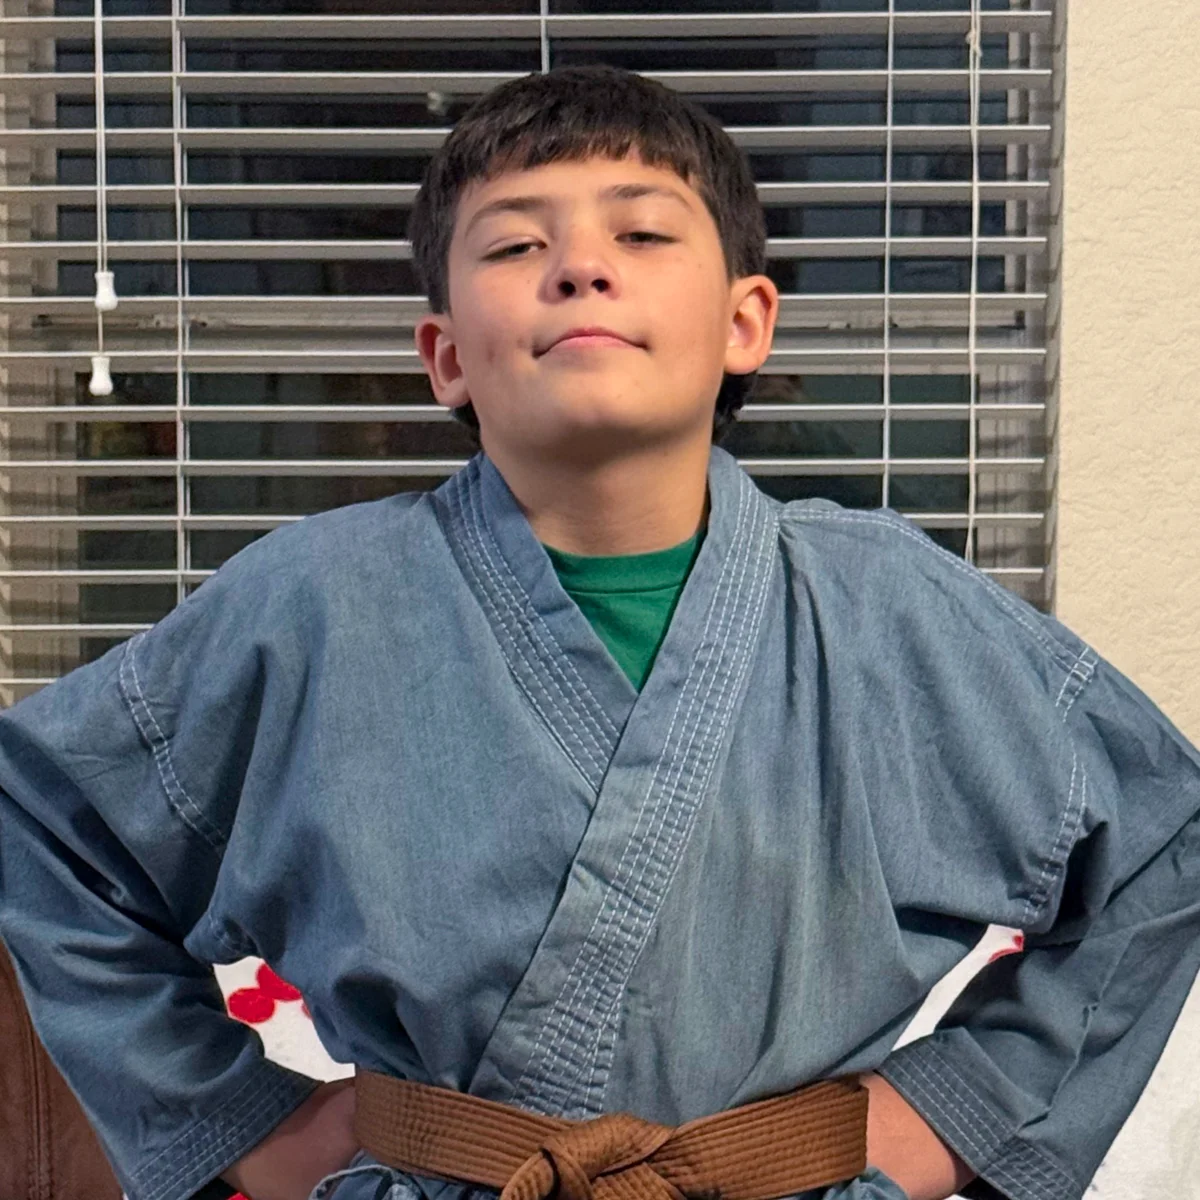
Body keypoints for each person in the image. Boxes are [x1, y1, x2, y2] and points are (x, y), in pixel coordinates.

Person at [0, 62, 1197, 1200]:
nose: (579, 268)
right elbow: (47, 824)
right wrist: (238, 1121)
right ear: (444, 355)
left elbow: (1165, 834)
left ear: (746, 322)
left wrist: (963, 1105)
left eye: (642, 233)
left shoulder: (887, 608)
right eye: (518, 243)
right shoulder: (313, 603)